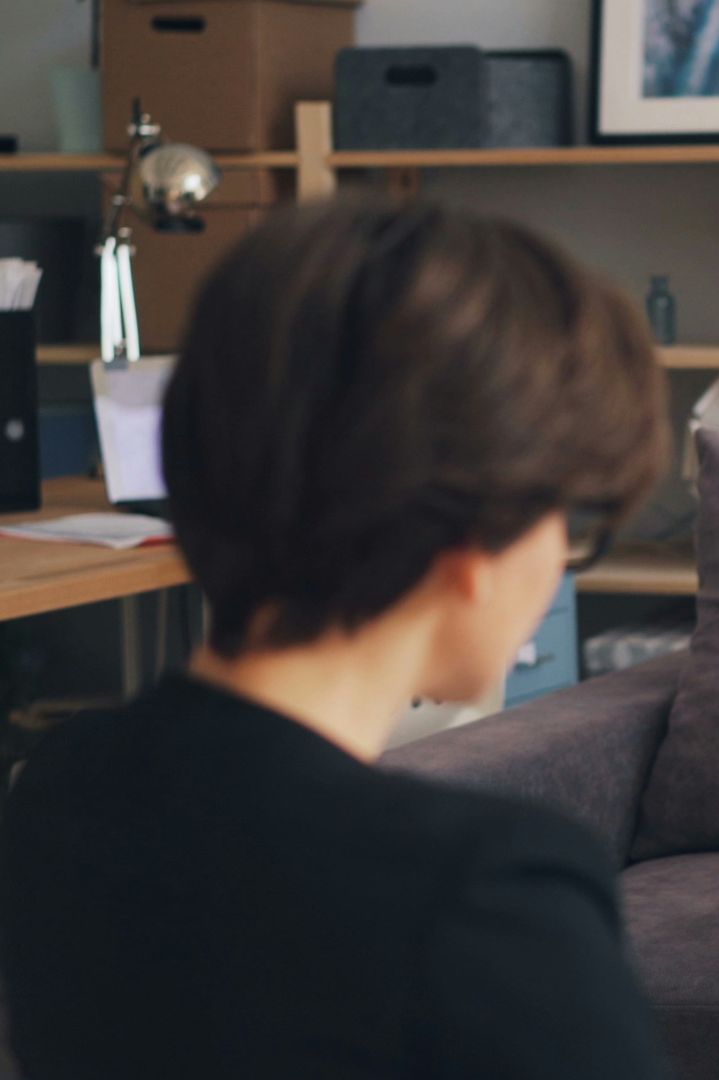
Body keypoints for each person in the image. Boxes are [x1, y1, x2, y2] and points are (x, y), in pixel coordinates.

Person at [0, 197, 672, 1078]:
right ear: (472, 540)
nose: (560, 562)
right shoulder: (488, 899)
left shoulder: (57, 793)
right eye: (570, 521)